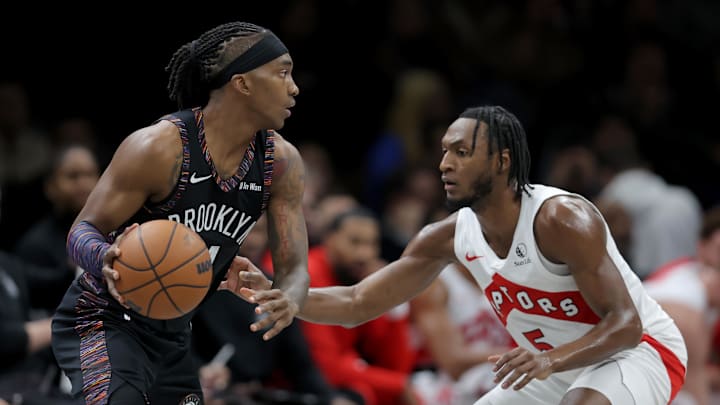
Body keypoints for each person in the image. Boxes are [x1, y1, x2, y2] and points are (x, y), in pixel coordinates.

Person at [230, 106, 688, 404]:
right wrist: (279, 294)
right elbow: (356, 304)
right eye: (444, 152)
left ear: (502, 161)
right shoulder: (447, 236)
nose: (445, 164)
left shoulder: (561, 219)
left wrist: (549, 360)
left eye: (462, 152)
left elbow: (627, 325)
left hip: (637, 352)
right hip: (552, 363)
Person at [51, 21, 309, 405]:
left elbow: (295, 268)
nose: (294, 87)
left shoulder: (281, 162)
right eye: (283, 72)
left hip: (173, 333)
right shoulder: (159, 148)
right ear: (243, 83)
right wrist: (104, 255)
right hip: (104, 319)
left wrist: (288, 296)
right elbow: (81, 231)